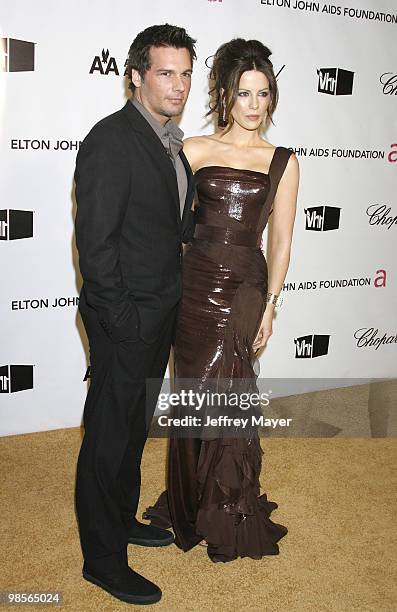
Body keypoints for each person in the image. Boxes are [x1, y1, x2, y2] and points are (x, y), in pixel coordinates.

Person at [144, 38, 300, 563]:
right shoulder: (193, 150)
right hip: (194, 285)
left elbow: (280, 241)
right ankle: (191, 505)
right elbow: (170, 227)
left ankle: (227, 511)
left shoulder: (282, 161)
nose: (254, 105)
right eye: (244, 93)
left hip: (245, 289)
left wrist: (272, 303)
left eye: (263, 94)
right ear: (225, 96)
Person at [74, 24, 196, 604]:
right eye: (166, 73)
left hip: (158, 316)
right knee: (106, 438)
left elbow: (165, 228)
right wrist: (122, 324)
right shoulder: (111, 139)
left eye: (186, 73)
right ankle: (101, 560)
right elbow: (95, 248)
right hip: (124, 320)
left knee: (130, 436)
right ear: (136, 76)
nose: (179, 85)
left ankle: (122, 519)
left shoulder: (170, 140)